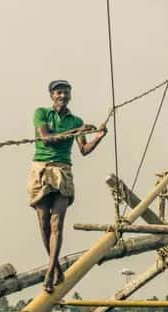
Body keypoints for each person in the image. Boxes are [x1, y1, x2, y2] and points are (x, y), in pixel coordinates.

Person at [28, 80, 107, 294]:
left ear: (70, 95)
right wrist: (77, 131)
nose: (62, 96)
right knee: (43, 221)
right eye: (59, 92)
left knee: (56, 224)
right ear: (52, 95)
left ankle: (50, 271)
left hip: (63, 170)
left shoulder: (76, 120)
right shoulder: (41, 113)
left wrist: (97, 137)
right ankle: (55, 268)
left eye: (66, 92)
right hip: (42, 169)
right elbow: (45, 139)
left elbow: (84, 149)